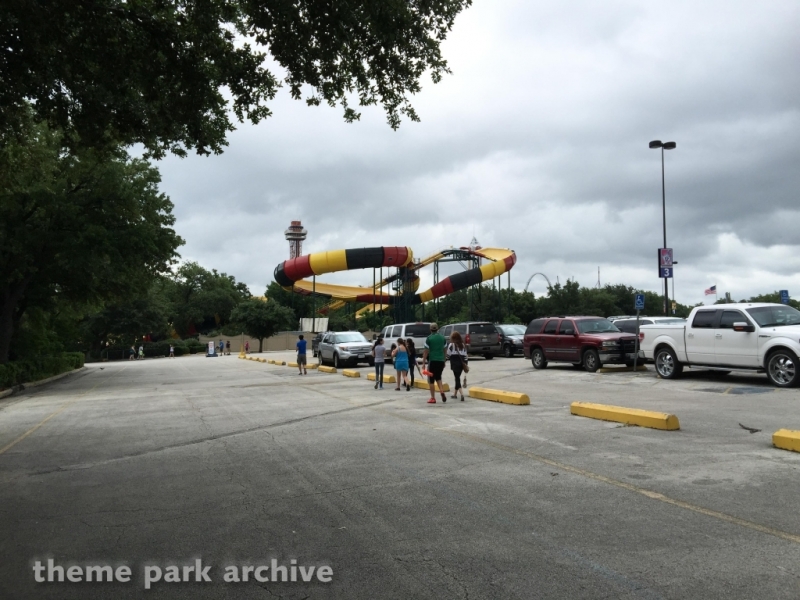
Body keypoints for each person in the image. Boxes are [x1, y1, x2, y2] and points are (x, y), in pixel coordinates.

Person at [422, 323, 447, 404]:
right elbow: (445, 350)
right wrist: (444, 360)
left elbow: (426, 352)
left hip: (432, 360)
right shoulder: (443, 338)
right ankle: (441, 391)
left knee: (431, 380)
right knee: (438, 377)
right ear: (437, 329)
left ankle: (433, 398)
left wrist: (423, 363)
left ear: (430, 329)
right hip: (441, 360)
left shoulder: (429, 338)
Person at [446, 331, 468, 401]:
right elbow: (465, 356)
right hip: (461, 364)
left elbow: (448, 355)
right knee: (457, 377)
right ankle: (455, 394)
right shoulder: (463, 345)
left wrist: (444, 361)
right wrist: (466, 364)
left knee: (457, 378)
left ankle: (461, 394)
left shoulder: (451, 345)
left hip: (454, 363)